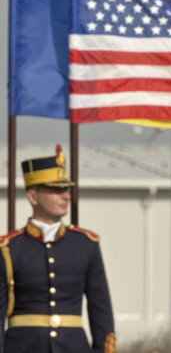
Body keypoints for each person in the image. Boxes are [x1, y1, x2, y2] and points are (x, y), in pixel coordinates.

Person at [0, 145, 115, 353]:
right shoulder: (9, 249)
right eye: (56, 189)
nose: (65, 196)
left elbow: (101, 314)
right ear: (33, 197)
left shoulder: (86, 245)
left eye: (66, 189)